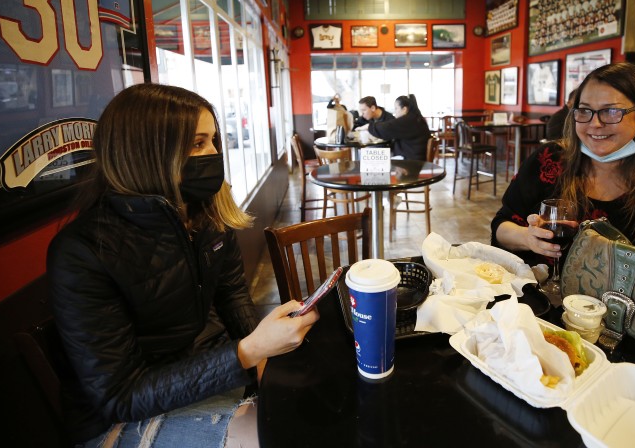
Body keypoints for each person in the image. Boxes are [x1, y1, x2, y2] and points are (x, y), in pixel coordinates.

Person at [47, 84, 318, 446]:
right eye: (197, 143)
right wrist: (248, 351)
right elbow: (118, 395)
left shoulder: (206, 215)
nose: (213, 153)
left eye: (214, 141)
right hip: (117, 418)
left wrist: (262, 362)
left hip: (201, 372)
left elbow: (233, 294)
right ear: (148, 152)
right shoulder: (82, 251)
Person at [491, 63, 635, 265]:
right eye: (584, 110)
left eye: (611, 111)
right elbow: (502, 224)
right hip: (541, 299)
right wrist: (526, 237)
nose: (595, 124)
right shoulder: (549, 160)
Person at [361, 94, 431, 160]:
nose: (395, 112)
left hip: (410, 162)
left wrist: (369, 127)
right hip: (414, 158)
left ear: (404, 109)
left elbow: (387, 128)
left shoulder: (408, 121)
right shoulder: (416, 119)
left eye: (396, 108)